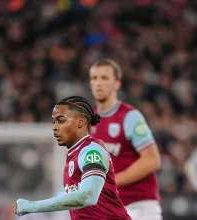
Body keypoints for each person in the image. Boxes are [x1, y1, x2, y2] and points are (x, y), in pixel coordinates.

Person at [65, 58, 162, 219]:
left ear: (117, 84)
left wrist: (112, 181)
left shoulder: (129, 117)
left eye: (105, 78)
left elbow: (152, 160)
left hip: (139, 205)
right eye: (94, 78)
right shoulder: (88, 121)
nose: (98, 83)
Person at [12, 96, 131, 220]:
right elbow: (68, 197)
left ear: (81, 122)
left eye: (61, 121)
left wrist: (32, 207)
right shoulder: (74, 156)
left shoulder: (92, 151)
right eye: (54, 122)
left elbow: (88, 196)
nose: (55, 127)